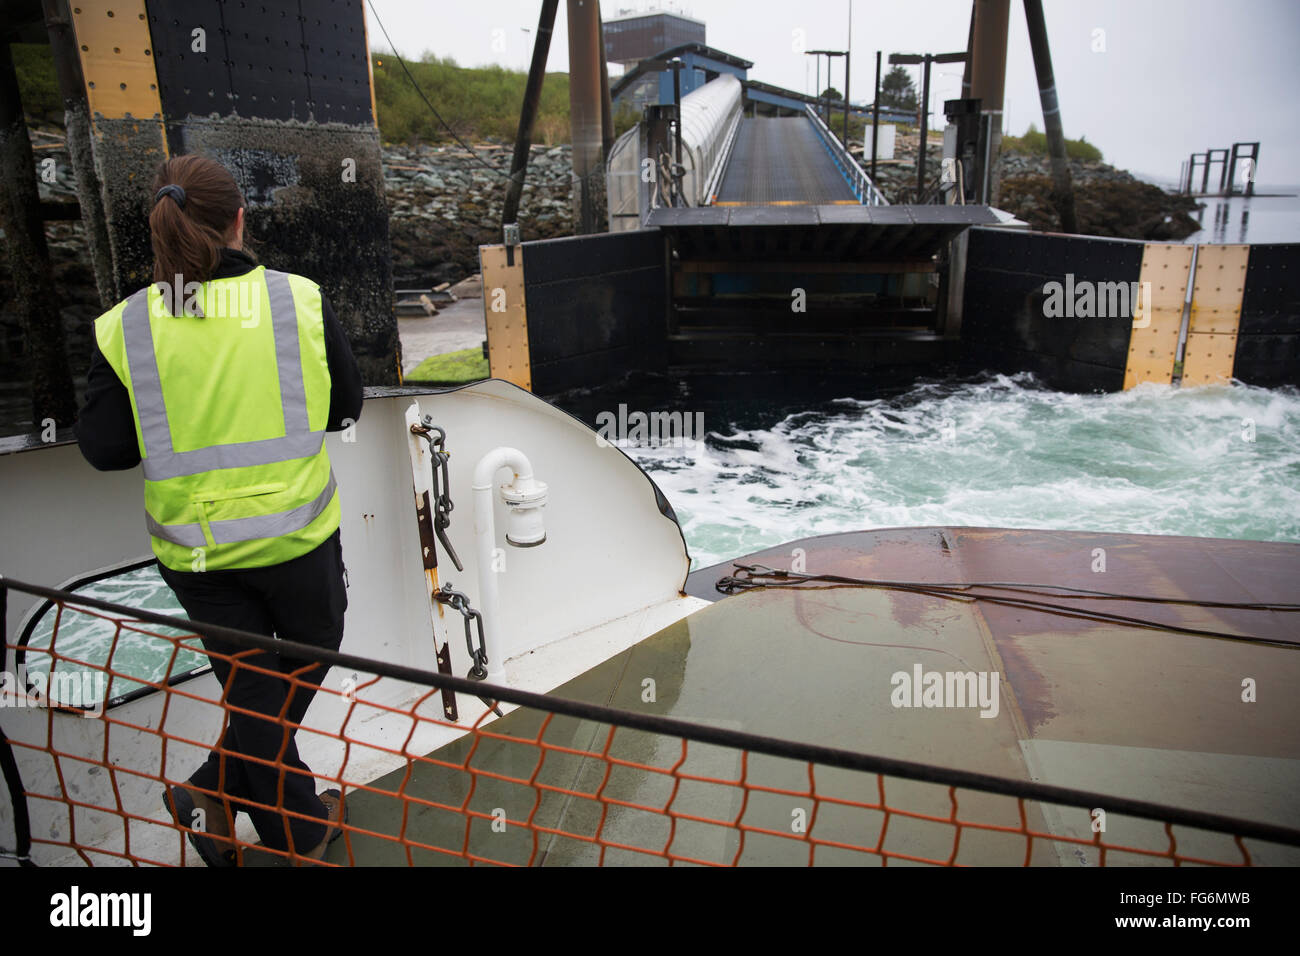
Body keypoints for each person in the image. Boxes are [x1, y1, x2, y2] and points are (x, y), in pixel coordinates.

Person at [75, 154, 364, 865]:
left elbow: (106, 447)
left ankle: (213, 790)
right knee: (287, 677)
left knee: (255, 692)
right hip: (297, 545)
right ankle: (293, 834)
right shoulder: (295, 299)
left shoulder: (128, 327)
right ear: (241, 220)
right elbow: (345, 409)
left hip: (198, 560)